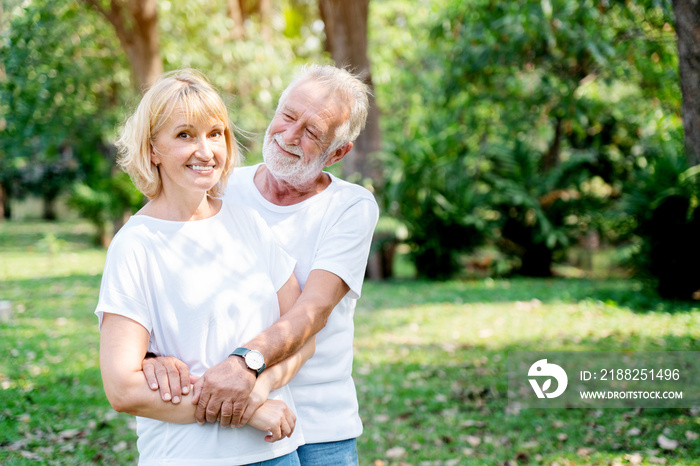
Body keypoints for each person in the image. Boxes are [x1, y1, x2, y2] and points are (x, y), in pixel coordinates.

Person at [144, 64, 379, 465]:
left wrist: (246, 364)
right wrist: (151, 354)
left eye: (311, 133)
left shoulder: (350, 207)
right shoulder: (218, 185)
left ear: (337, 153)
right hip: (234, 425)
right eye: (287, 116)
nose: (289, 136)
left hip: (320, 425)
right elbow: (159, 270)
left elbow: (313, 310)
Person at [96, 69, 314, 465]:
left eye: (215, 133)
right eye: (185, 135)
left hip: (277, 452)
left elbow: (302, 334)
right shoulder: (136, 245)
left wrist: (257, 391)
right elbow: (122, 388)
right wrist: (247, 412)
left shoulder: (247, 223)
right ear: (152, 149)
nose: (206, 150)